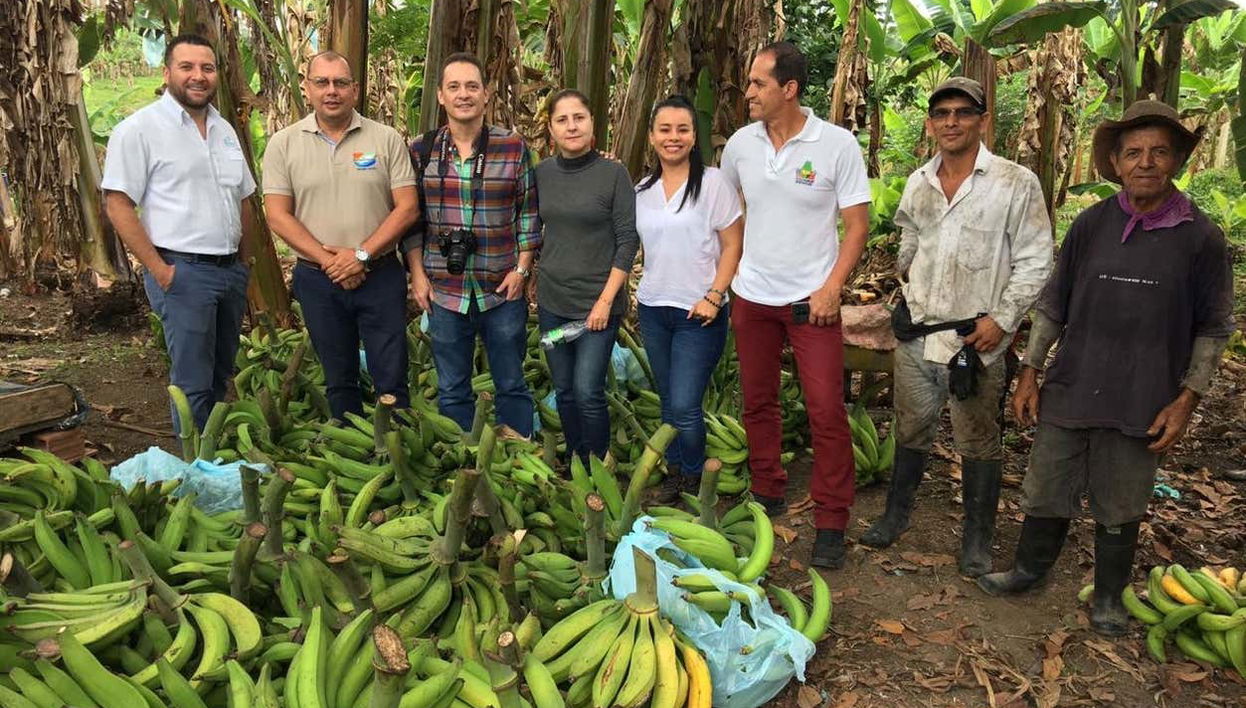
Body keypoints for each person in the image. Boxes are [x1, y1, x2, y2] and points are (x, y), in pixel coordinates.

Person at [977, 101, 1235, 635]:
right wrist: (1029, 370)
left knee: (1123, 496)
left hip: (1145, 391)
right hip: (1073, 382)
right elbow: (1054, 304)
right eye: (1134, 152)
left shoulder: (1201, 238)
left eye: (1159, 152)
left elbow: (1212, 329)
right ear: (1115, 163)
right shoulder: (1093, 223)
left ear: (1176, 162)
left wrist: (1187, 399)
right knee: (1047, 483)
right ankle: (1028, 569)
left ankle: (1111, 596)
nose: (1146, 162)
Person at [857, 78, 1053, 578]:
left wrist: (1003, 320)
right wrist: (904, 286)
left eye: (963, 113)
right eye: (941, 113)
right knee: (912, 426)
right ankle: (896, 515)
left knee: (978, 440)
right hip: (919, 333)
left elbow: (1035, 260)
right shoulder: (919, 181)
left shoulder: (1014, 183)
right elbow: (909, 238)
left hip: (976, 338)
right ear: (930, 122)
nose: (951, 121)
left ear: (982, 120)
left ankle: (977, 539)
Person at [718, 41, 871, 568]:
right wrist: (731, 274)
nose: (749, 92)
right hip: (753, 295)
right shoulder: (739, 145)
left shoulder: (836, 145)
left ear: (789, 89)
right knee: (758, 401)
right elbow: (731, 210)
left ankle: (832, 519)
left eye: (759, 83)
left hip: (812, 302)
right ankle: (768, 489)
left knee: (826, 408)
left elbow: (857, 225)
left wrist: (833, 286)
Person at [102, 34, 255, 432]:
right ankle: (193, 468)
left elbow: (243, 198)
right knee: (191, 382)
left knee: (221, 373)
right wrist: (159, 270)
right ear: (167, 72)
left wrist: (244, 263)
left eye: (206, 68)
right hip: (182, 271)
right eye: (187, 67)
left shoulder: (224, 129)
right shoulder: (140, 129)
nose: (198, 76)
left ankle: (212, 455)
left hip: (228, 272)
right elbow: (118, 204)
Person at [263, 51, 418, 419]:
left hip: (379, 274)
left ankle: (396, 445)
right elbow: (277, 215)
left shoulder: (386, 139)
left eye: (340, 82)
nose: (331, 91)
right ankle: (349, 440)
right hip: (319, 279)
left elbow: (407, 207)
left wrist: (360, 255)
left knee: (391, 373)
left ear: (355, 89)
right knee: (338, 375)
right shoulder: (283, 144)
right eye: (322, 82)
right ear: (307, 88)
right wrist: (331, 261)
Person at [402, 53, 540, 437]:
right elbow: (411, 221)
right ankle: (460, 452)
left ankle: (516, 449)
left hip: (502, 287)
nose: (464, 94)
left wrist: (522, 269)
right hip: (444, 289)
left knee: (511, 379)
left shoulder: (512, 147)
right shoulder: (421, 151)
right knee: (451, 385)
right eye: (454, 87)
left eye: (472, 86)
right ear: (441, 96)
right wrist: (417, 275)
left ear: (486, 94)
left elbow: (528, 213)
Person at [634, 96, 744, 503]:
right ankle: (677, 471)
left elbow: (733, 244)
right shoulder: (642, 190)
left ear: (693, 136)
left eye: (682, 129)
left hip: (700, 312)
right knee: (668, 401)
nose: (673, 137)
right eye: (665, 129)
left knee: (684, 403)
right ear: (652, 137)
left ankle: (695, 477)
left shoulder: (713, 183)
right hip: (652, 307)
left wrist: (715, 296)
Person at [535, 89, 640, 463]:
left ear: (592, 122)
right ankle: (577, 461)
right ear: (551, 129)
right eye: (562, 120)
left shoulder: (614, 173)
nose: (571, 126)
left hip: (599, 306)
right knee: (563, 389)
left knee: (587, 390)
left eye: (579, 117)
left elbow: (628, 240)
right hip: (552, 303)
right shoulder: (542, 173)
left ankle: (599, 461)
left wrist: (605, 301)